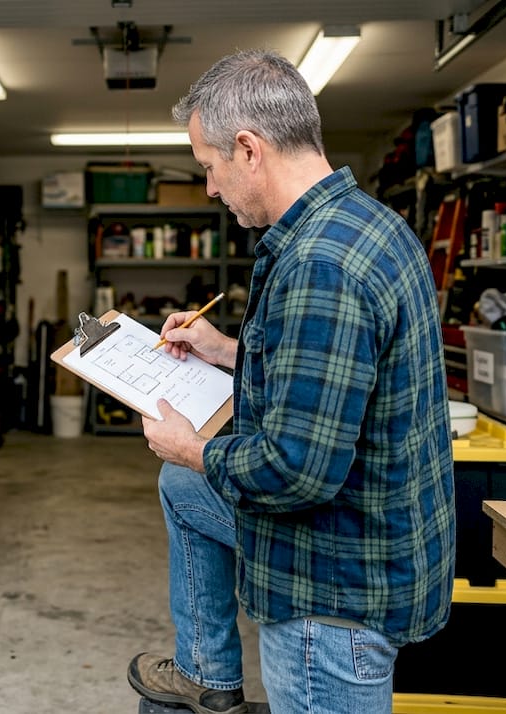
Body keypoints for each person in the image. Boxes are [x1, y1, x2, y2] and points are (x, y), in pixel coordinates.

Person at [126, 49, 456, 714]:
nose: (210, 189)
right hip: (377, 537)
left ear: (249, 149)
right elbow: (337, 370)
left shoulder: (319, 265)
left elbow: (294, 472)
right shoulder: (368, 224)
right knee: (184, 489)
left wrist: (190, 446)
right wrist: (225, 349)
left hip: (333, 591)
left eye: (209, 167)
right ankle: (208, 675)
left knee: (186, 469)